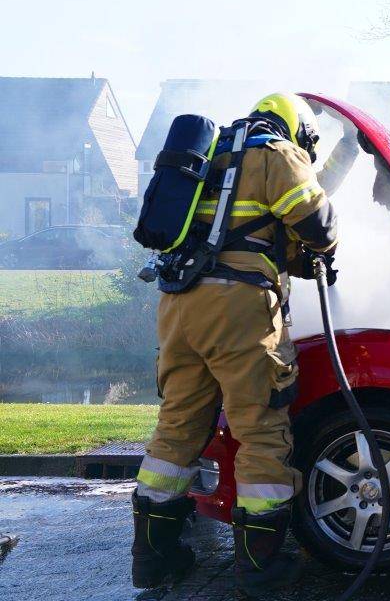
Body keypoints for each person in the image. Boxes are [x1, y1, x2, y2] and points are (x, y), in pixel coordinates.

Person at [131, 93, 338, 597]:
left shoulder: (211, 158)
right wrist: (323, 246)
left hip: (178, 305)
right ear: (298, 131)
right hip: (238, 310)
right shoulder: (277, 154)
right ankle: (261, 570)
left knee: (176, 430)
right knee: (262, 432)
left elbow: (247, 236)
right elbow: (317, 225)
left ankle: (152, 561)